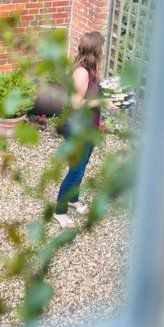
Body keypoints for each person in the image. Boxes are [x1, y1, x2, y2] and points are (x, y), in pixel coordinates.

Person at [53, 31, 119, 228]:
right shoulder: (81, 72)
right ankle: (60, 211)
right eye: (103, 48)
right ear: (95, 50)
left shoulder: (91, 70)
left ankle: (74, 200)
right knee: (75, 171)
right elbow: (75, 103)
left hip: (89, 128)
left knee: (81, 169)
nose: (105, 51)